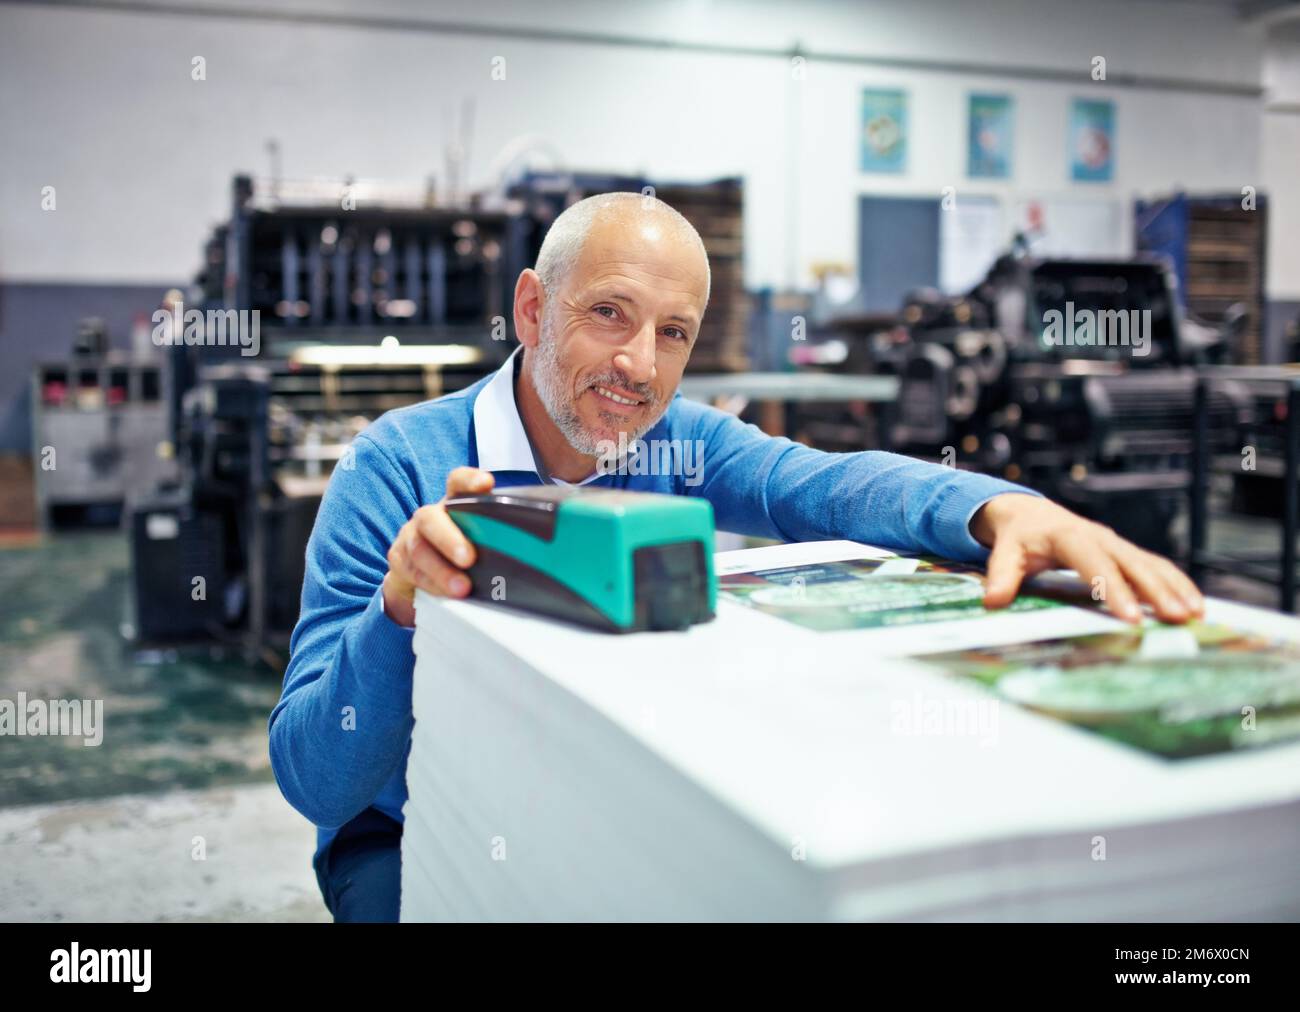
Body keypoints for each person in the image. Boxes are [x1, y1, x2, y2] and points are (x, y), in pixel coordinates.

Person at [270, 192, 1203, 922]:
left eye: (672, 333)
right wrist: (400, 610)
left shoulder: (680, 445)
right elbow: (317, 778)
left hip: (590, 799)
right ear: (530, 308)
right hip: (407, 831)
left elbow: (829, 485)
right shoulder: (396, 468)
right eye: (608, 314)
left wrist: (1000, 507)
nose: (638, 363)